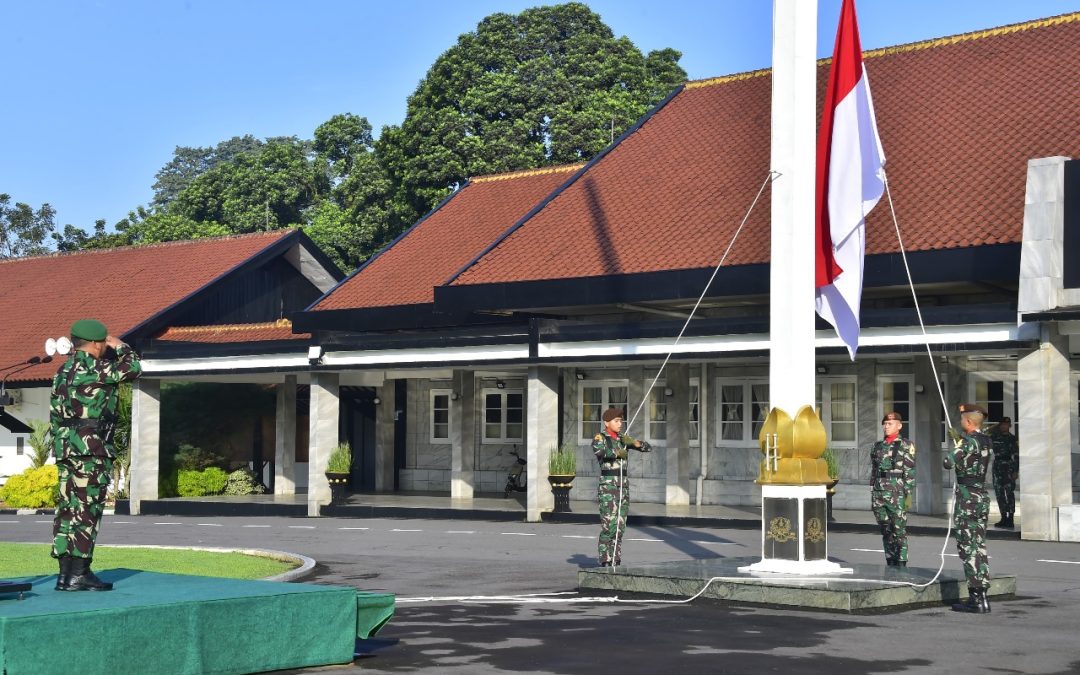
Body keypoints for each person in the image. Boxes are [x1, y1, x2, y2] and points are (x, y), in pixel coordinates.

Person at [51, 319, 142, 591]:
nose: (105, 347)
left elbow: (55, 416)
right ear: (94, 343)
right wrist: (121, 345)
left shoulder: (62, 371)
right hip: (91, 450)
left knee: (68, 510)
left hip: (66, 449)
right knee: (87, 510)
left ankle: (65, 575)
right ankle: (80, 573)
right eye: (103, 343)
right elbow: (134, 368)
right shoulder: (96, 368)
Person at [945, 403, 993, 614]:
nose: (961, 421)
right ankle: (983, 596)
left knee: (967, 547)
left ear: (969, 421)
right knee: (979, 546)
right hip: (981, 495)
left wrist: (957, 445)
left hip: (967, 499)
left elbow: (948, 462)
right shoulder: (986, 440)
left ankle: (976, 599)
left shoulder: (967, 441)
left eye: (963, 418)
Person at [593, 407, 651, 567]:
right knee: (608, 526)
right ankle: (605, 559)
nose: (620, 424)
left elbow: (647, 447)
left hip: (623, 487)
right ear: (607, 423)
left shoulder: (622, 438)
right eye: (616, 421)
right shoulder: (600, 437)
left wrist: (633, 443)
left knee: (620, 526)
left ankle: (616, 558)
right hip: (608, 488)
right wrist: (617, 453)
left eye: (621, 421)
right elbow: (600, 452)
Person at [869, 411, 916, 567]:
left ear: (899, 426)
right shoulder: (877, 446)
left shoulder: (906, 445)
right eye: (885, 424)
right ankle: (890, 560)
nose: (886, 427)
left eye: (890, 424)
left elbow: (909, 472)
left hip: (897, 493)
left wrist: (908, 495)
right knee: (885, 529)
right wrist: (872, 490)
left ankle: (901, 563)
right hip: (879, 493)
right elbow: (874, 470)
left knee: (899, 530)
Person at [989, 417, 1019, 529]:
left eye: (1006, 424)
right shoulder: (994, 436)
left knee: (1009, 493)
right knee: (999, 493)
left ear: (1009, 425)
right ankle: (1003, 517)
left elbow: (1016, 456)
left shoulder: (1013, 439)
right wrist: (994, 426)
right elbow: (985, 435)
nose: (1003, 426)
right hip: (997, 466)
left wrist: (1015, 470)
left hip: (1009, 467)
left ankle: (1010, 518)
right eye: (1001, 424)